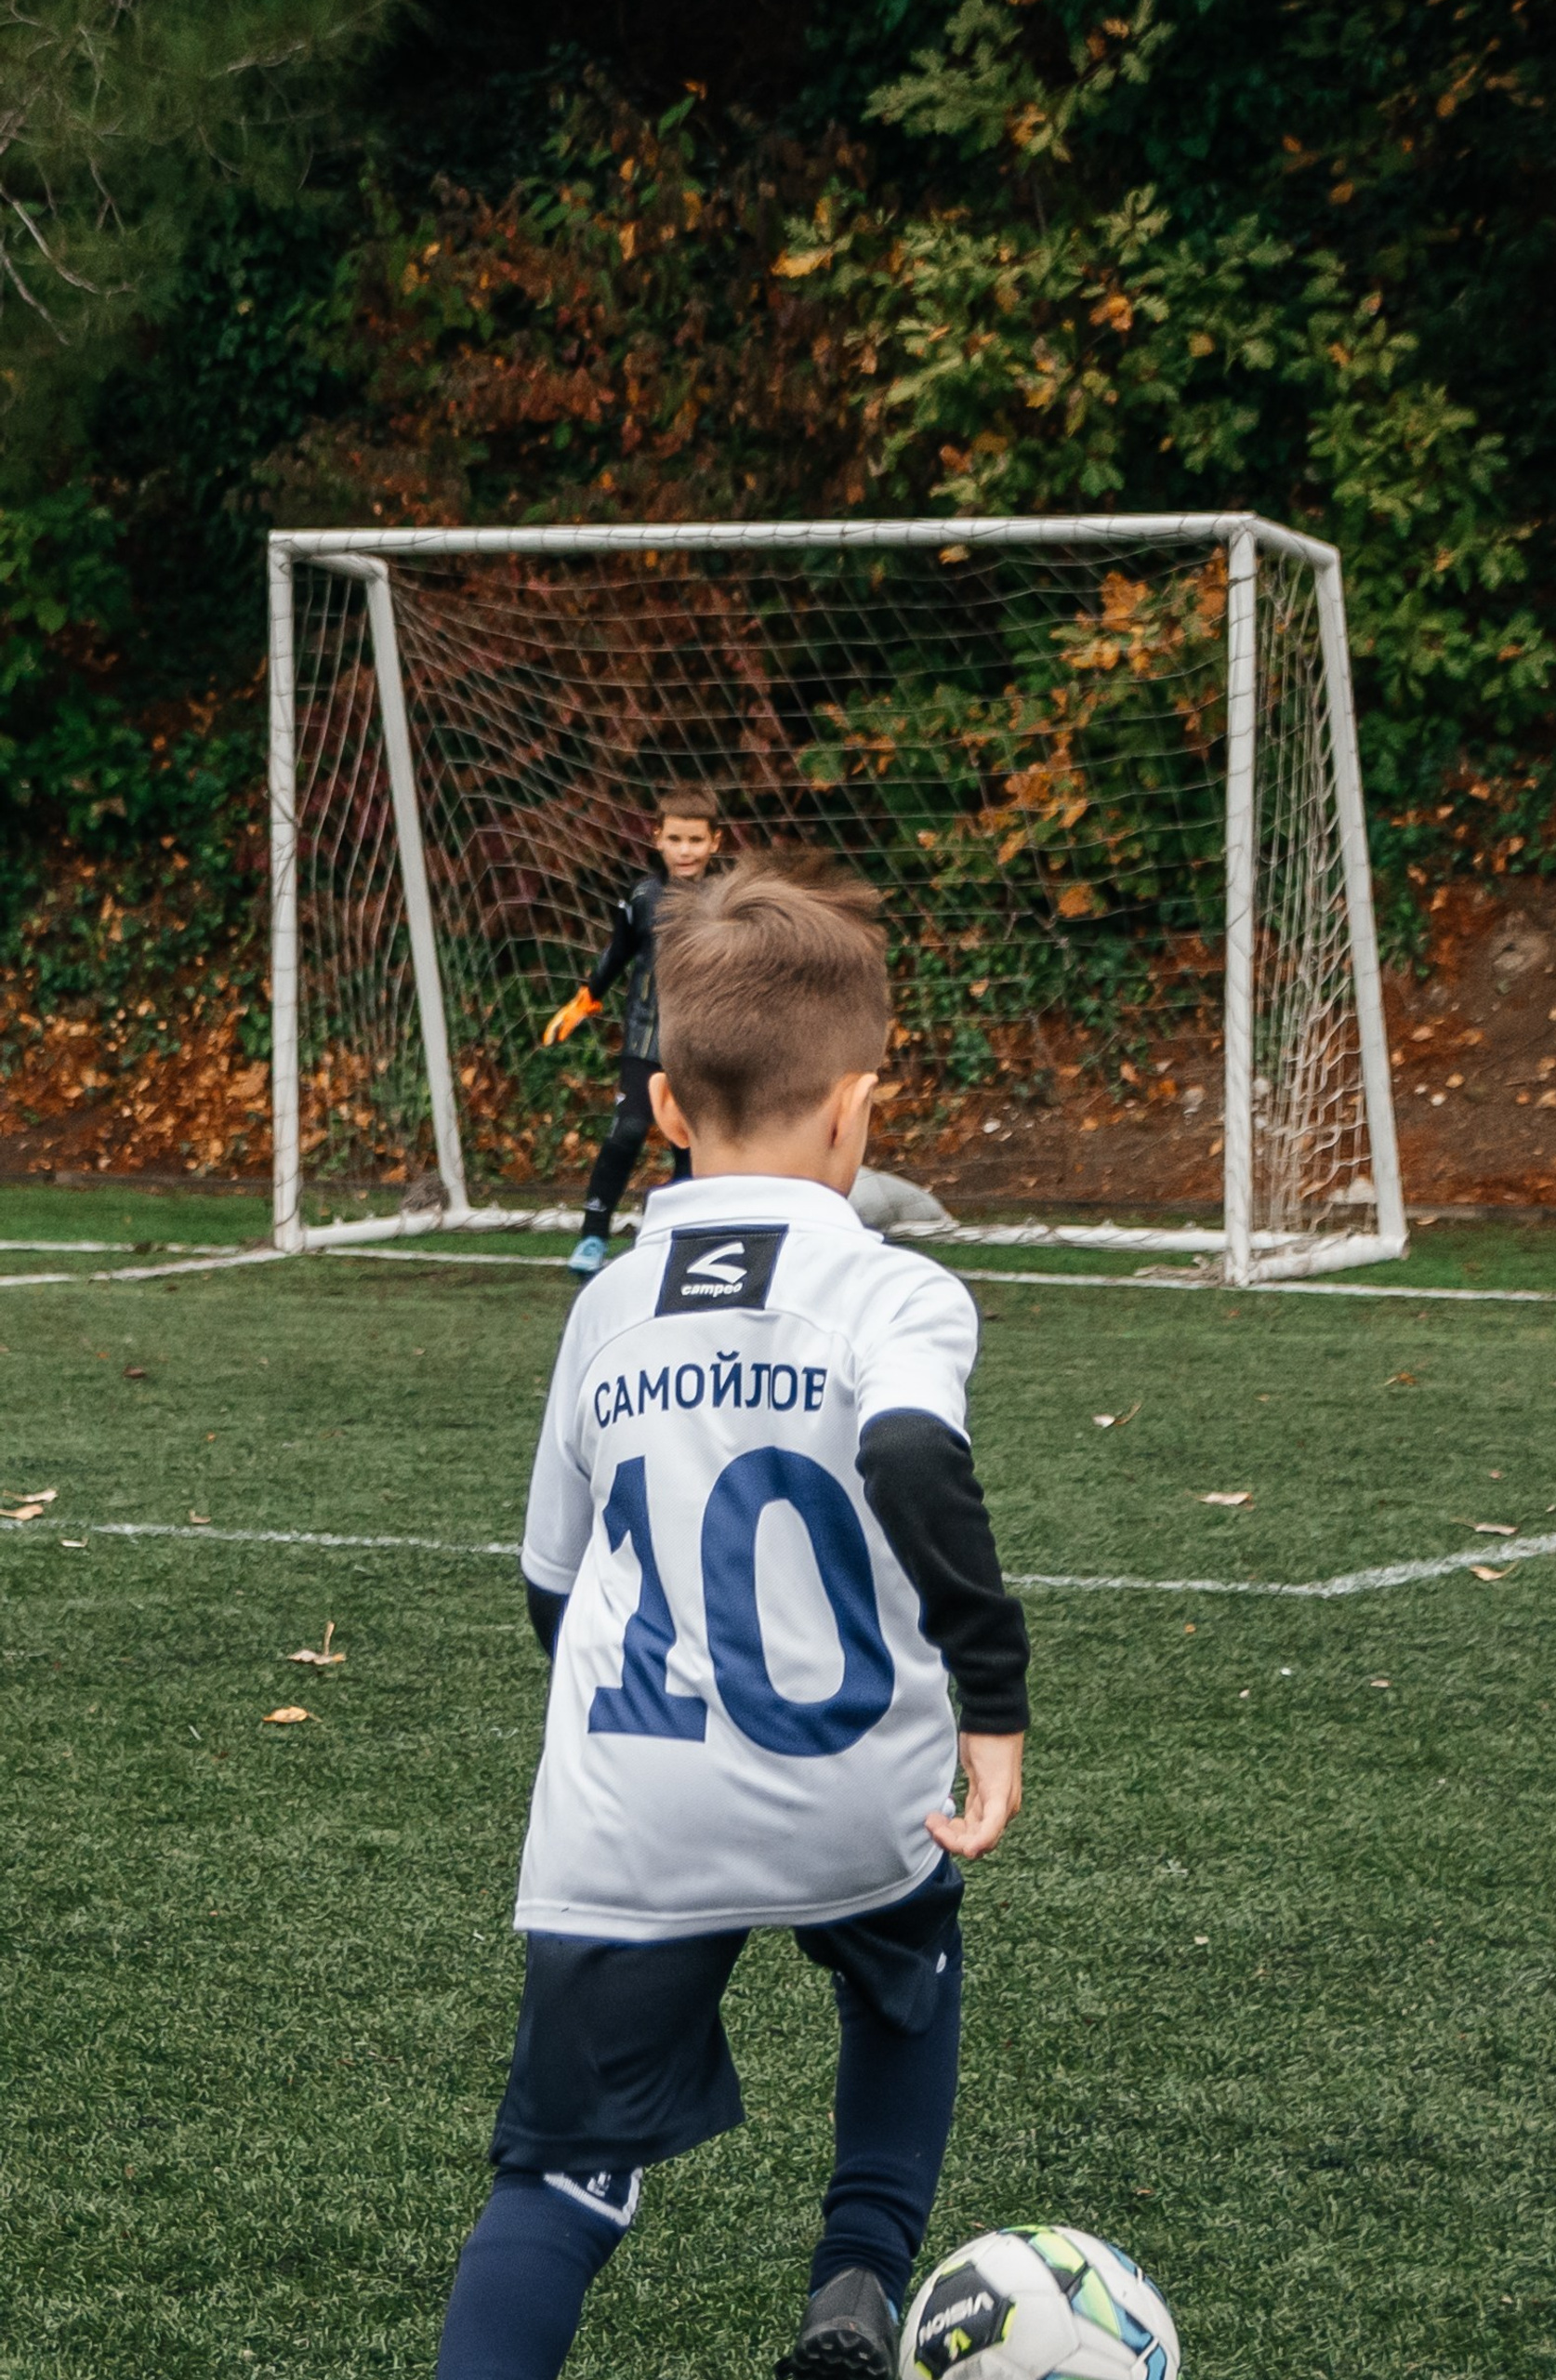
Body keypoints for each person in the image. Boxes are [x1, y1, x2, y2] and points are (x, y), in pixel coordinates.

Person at [440, 859, 1030, 2380]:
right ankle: (854, 2288)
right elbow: (910, 1456)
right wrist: (993, 1701)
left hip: (633, 1804)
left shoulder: (607, 1306)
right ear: (858, 1110)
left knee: (556, 2173)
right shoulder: (899, 1289)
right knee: (907, 1972)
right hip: (852, 1780)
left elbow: (552, 1587)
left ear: (664, 1104)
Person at [542, 793, 726, 1279]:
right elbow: (617, 953)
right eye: (675, 839)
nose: (685, 850)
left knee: (689, 1144)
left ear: (713, 843)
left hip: (701, 1044)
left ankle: (681, 1237)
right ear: (658, 839)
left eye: (695, 840)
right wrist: (585, 1000)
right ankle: (593, 1234)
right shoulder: (643, 898)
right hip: (646, 1040)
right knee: (626, 1130)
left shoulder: (728, 900)